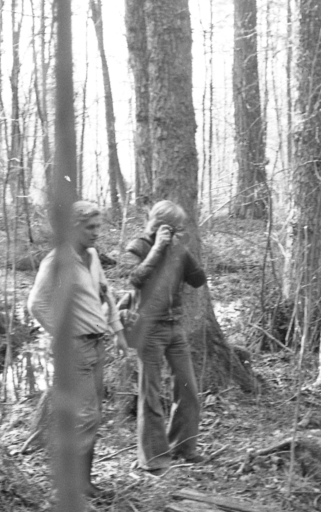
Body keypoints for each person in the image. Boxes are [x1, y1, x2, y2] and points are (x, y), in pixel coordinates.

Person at [27, 200, 129, 495]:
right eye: (90, 227)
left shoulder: (93, 256)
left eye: (98, 226)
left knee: (90, 414)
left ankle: (83, 482)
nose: (96, 233)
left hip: (97, 344)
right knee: (87, 415)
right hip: (75, 348)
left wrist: (119, 332)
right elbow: (36, 303)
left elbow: (105, 294)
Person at [119, 200, 207, 473]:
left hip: (175, 326)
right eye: (176, 226)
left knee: (188, 390)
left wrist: (182, 249)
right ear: (160, 225)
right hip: (150, 328)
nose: (181, 230)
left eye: (182, 227)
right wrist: (157, 248)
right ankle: (153, 458)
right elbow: (135, 279)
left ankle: (183, 446)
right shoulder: (140, 245)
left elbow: (198, 279)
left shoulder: (177, 249)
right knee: (151, 393)